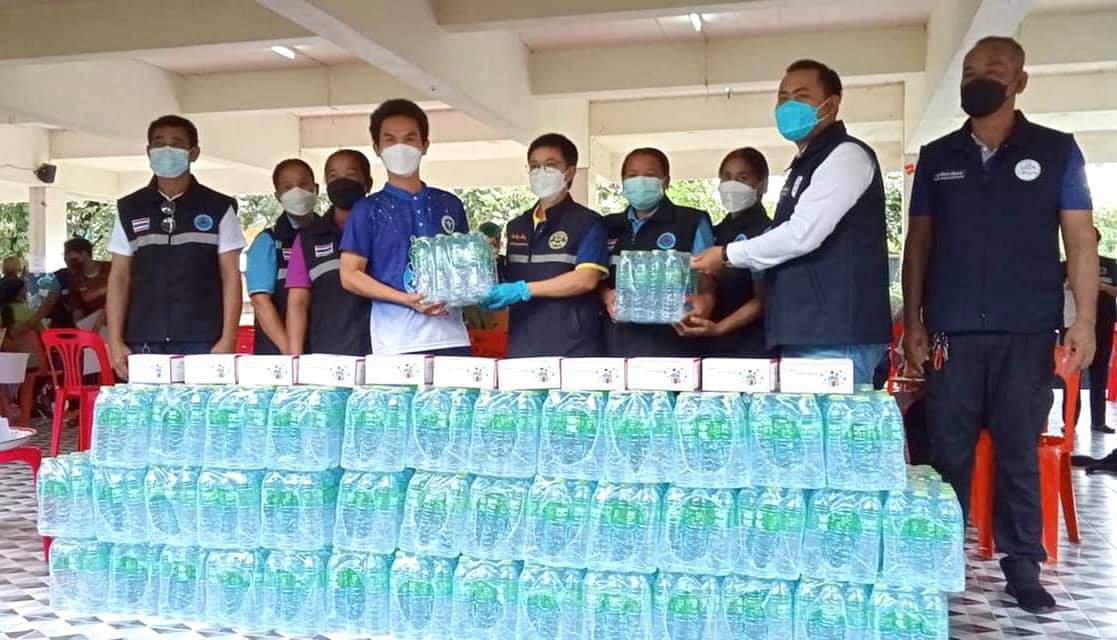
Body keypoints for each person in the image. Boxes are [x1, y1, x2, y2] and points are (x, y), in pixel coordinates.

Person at [901, 36, 1096, 613]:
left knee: (1018, 452)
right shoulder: (938, 156)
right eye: (969, 70)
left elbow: (1080, 240)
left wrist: (1084, 320)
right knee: (947, 456)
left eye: (993, 68)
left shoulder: (1057, 151)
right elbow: (918, 243)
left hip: (1027, 330)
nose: (977, 78)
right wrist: (913, 318)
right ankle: (940, 562)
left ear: (1019, 82)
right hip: (952, 332)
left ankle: (1022, 566)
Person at [692, 59, 890, 385]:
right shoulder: (804, 166)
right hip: (808, 332)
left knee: (833, 419)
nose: (789, 106)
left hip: (836, 335)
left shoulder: (846, 156)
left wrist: (726, 255)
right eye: (783, 98)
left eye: (801, 96)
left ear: (831, 105)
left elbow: (802, 235)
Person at [105, 114, 246, 378]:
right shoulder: (129, 208)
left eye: (177, 143)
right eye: (159, 143)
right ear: (148, 151)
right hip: (143, 337)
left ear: (194, 153)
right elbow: (119, 277)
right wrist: (114, 341)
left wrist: (228, 338)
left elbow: (231, 276)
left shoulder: (219, 207)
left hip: (204, 339)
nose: (166, 150)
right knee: (146, 406)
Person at [339, 99, 472, 356]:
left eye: (410, 139)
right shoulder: (367, 210)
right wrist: (405, 299)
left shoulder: (450, 204)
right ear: (377, 148)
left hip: (452, 337)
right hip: (396, 342)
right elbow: (350, 275)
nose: (400, 147)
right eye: (390, 140)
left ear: (425, 145)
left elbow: (464, 269)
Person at [480, 133, 610, 356]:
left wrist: (523, 290)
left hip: (572, 346)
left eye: (550, 165)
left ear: (569, 172)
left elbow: (586, 279)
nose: (541, 172)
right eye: (534, 166)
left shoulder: (588, 223)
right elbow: (509, 278)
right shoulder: (517, 226)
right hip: (523, 343)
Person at [600, 147, 716, 357]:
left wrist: (706, 299)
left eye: (650, 175)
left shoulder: (690, 221)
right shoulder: (608, 225)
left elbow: (707, 275)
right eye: (632, 175)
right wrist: (607, 295)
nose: (640, 181)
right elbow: (595, 277)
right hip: (618, 341)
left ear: (666, 181)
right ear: (623, 182)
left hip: (673, 341)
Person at [678, 148, 772, 356]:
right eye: (727, 177)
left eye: (743, 178)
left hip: (750, 346)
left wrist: (719, 328)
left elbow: (763, 299)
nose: (732, 184)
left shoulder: (768, 234)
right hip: (709, 343)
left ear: (762, 184)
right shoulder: (715, 232)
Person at [286, 149, 374, 356]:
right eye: (333, 176)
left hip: (381, 349)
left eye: (351, 174)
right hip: (329, 352)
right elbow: (298, 302)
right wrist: (294, 358)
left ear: (367, 183)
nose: (342, 181)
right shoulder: (308, 238)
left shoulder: (385, 230)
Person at [244, 159, 321, 354]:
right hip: (279, 353)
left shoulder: (332, 236)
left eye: (303, 184)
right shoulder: (268, 242)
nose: (297, 191)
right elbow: (261, 301)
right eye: (287, 187)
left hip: (324, 346)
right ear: (278, 196)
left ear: (316, 189)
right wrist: (291, 352)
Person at [0, 276, 46, 369]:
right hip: (31, 362)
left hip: (6, 364)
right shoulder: (28, 313)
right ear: (21, 292)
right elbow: (45, 334)